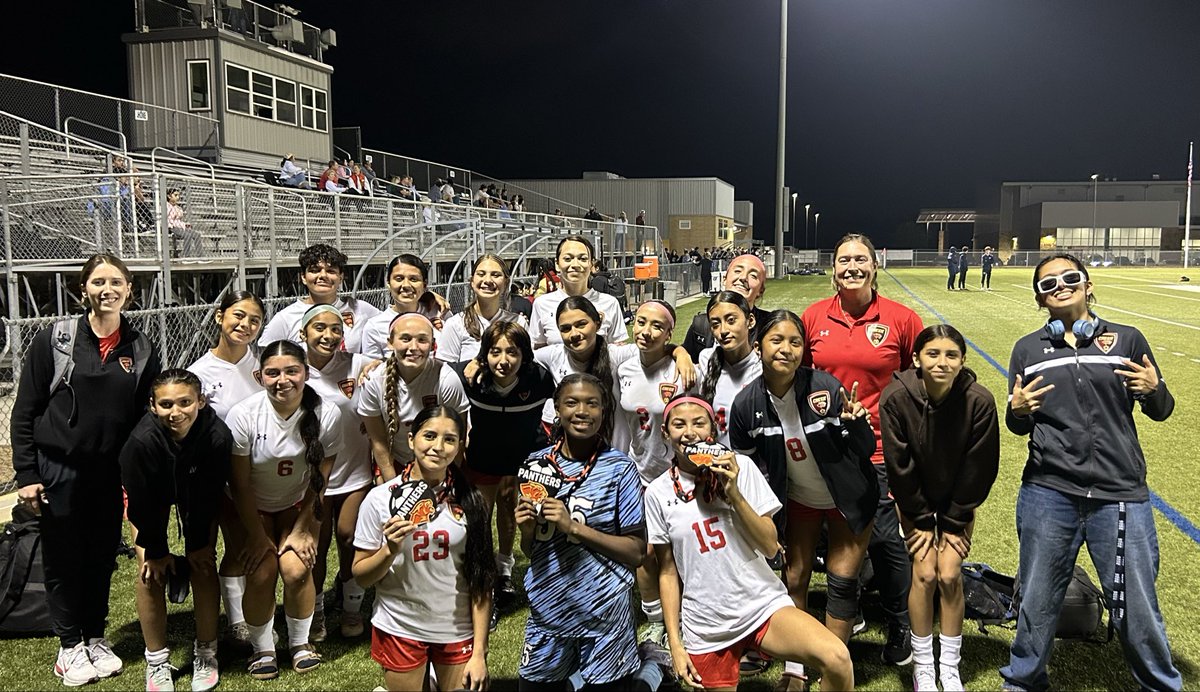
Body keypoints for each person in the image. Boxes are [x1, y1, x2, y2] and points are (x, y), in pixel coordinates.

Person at [1000, 254, 1182, 691]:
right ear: (1039, 298)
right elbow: (1018, 422)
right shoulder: (1027, 349)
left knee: (1136, 604)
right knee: (1037, 601)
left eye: (1069, 278)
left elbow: (1161, 410)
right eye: (1048, 284)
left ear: (1087, 282)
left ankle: (1159, 684)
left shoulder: (1127, 340)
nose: (1060, 286)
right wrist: (1018, 413)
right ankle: (1023, 681)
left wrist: (1155, 392)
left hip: (1119, 494)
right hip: (1048, 491)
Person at [11, 253, 161, 687]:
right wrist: (27, 475)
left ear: (130, 290)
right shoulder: (54, 340)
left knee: (99, 557)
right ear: (84, 290)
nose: (107, 289)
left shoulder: (141, 346)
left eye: (116, 281)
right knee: (63, 559)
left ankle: (95, 636)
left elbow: (142, 417)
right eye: (98, 282)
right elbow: (25, 412)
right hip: (58, 470)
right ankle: (68, 645)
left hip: (108, 473)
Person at [651, 397, 855, 691]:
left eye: (698, 423)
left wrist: (734, 494)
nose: (689, 432)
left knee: (837, 657)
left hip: (760, 603)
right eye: (679, 424)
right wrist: (675, 642)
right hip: (707, 623)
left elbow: (771, 546)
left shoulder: (741, 468)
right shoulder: (657, 493)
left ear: (713, 429)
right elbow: (668, 572)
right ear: (665, 432)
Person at [728, 309, 879, 690]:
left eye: (795, 342)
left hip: (847, 498)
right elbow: (749, 471)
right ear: (759, 346)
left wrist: (857, 423)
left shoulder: (824, 387)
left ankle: (833, 668)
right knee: (793, 578)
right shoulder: (746, 405)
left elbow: (864, 450)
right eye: (776, 340)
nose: (786, 349)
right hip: (799, 501)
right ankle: (795, 671)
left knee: (842, 582)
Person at [801, 233, 924, 668]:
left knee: (886, 541)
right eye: (843, 260)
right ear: (832, 269)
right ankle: (843, 615)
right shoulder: (814, 317)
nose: (851, 267)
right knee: (831, 538)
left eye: (860, 259)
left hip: (878, 451)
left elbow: (920, 378)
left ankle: (900, 623)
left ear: (874, 266)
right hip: (825, 449)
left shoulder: (901, 318)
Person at [880, 324, 1000, 692]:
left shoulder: (979, 400)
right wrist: (917, 519)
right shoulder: (896, 397)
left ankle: (949, 665)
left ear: (963, 361)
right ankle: (923, 666)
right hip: (914, 499)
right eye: (933, 354)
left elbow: (978, 469)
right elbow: (899, 467)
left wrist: (952, 522)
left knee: (949, 574)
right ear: (916, 358)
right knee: (925, 574)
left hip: (957, 502)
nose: (942, 362)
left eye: (952, 355)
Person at [515, 374, 646, 688]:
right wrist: (529, 531)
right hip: (549, 608)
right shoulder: (536, 466)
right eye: (572, 402)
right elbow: (532, 552)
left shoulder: (620, 469)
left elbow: (636, 552)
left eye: (592, 403)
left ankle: (650, 668)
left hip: (605, 614)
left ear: (604, 411)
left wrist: (572, 527)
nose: (582, 411)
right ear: (557, 409)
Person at [352, 406, 494, 691]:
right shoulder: (379, 500)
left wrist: (479, 651)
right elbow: (362, 576)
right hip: (400, 626)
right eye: (429, 436)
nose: (438, 447)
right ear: (411, 439)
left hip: (456, 629)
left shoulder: (471, 501)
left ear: (459, 446)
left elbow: (481, 581)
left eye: (450, 439)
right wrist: (389, 549)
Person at [225, 340, 344, 680]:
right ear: (259, 375)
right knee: (261, 572)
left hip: (298, 504)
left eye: (292, 371)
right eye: (273, 373)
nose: (283, 380)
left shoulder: (326, 413)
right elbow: (241, 484)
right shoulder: (244, 415)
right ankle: (262, 648)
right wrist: (257, 535)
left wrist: (304, 527)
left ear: (306, 373)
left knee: (296, 568)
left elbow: (321, 478)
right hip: (253, 506)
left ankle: (299, 643)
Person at [120, 369, 231, 692]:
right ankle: (156, 660)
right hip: (151, 493)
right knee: (148, 572)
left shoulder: (217, 436)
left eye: (185, 402)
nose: (176, 412)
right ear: (153, 407)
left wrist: (198, 547)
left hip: (197, 489)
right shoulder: (140, 443)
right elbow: (140, 504)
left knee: (203, 564)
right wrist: (156, 551)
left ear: (201, 401)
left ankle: (206, 652)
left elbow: (208, 499)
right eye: (166, 404)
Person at [453, 321, 556, 621]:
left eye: (512, 351)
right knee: (480, 518)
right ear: (484, 354)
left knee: (513, 510)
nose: (503, 360)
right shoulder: (471, 377)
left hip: (525, 456)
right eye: (495, 352)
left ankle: (505, 571)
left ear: (525, 354)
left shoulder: (538, 378)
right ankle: (483, 583)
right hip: (484, 456)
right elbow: (432, 367)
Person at [615, 300, 698, 650]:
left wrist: (681, 353)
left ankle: (691, 614)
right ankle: (654, 619)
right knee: (645, 550)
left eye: (657, 327)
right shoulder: (622, 364)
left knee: (683, 549)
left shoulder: (684, 371)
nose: (645, 332)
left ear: (669, 333)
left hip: (679, 475)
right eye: (640, 322)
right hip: (639, 473)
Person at [187, 290, 268, 649]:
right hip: (212, 478)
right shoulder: (200, 373)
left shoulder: (264, 366)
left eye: (254, 320)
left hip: (253, 476)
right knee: (219, 549)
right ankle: (235, 622)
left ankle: (241, 618)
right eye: (238, 316)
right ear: (220, 317)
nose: (245, 325)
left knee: (242, 548)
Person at [300, 305, 375, 642]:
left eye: (335, 330)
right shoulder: (294, 369)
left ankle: (351, 607)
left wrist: (377, 366)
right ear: (303, 333)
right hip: (311, 476)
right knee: (315, 543)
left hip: (354, 471)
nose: (328, 335)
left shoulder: (357, 363)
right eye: (319, 328)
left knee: (349, 537)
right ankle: (313, 612)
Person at [358, 313, 469, 483]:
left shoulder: (446, 379)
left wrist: (448, 482)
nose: (413, 347)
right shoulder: (374, 380)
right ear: (390, 342)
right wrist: (392, 485)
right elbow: (379, 442)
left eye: (422, 340)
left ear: (433, 345)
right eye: (405, 338)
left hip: (439, 462)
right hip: (396, 462)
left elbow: (457, 439)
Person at [258, 243, 381, 354]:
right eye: (314, 270)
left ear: (341, 277)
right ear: (303, 277)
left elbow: (391, 326)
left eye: (330, 271)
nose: (323, 275)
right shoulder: (285, 318)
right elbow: (265, 358)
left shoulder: (360, 309)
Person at [527, 236, 628, 347]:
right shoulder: (542, 304)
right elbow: (537, 350)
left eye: (583, 259)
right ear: (557, 263)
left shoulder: (610, 303)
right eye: (568, 259)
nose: (575, 265)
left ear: (591, 264)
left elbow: (619, 350)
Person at [696, 291, 763, 449]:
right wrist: (679, 353)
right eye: (715, 324)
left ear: (750, 321)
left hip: (756, 470)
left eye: (731, 320)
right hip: (717, 467)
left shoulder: (763, 367)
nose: (723, 330)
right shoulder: (707, 360)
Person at [361, 254, 452, 359]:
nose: (406, 285)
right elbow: (372, 368)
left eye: (413, 279)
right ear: (388, 284)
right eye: (399, 279)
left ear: (425, 284)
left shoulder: (440, 311)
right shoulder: (375, 326)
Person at [682, 253, 770, 361]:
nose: (743, 277)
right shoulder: (701, 324)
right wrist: (679, 353)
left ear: (760, 291)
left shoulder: (770, 326)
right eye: (737, 271)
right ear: (724, 279)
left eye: (753, 275)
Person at [437, 254, 520, 364]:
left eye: (495, 275)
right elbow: (445, 371)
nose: (488, 280)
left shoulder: (518, 322)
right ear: (472, 281)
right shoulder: (455, 324)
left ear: (506, 283)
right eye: (481, 274)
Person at [166, 187, 204, 257]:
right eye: (175, 195)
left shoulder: (177, 207)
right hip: (171, 227)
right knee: (187, 235)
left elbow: (178, 220)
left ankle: (201, 256)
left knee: (197, 235)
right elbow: (167, 219)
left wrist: (184, 224)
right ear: (169, 196)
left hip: (179, 226)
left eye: (178, 195)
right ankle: (187, 256)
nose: (178, 197)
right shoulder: (166, 206)